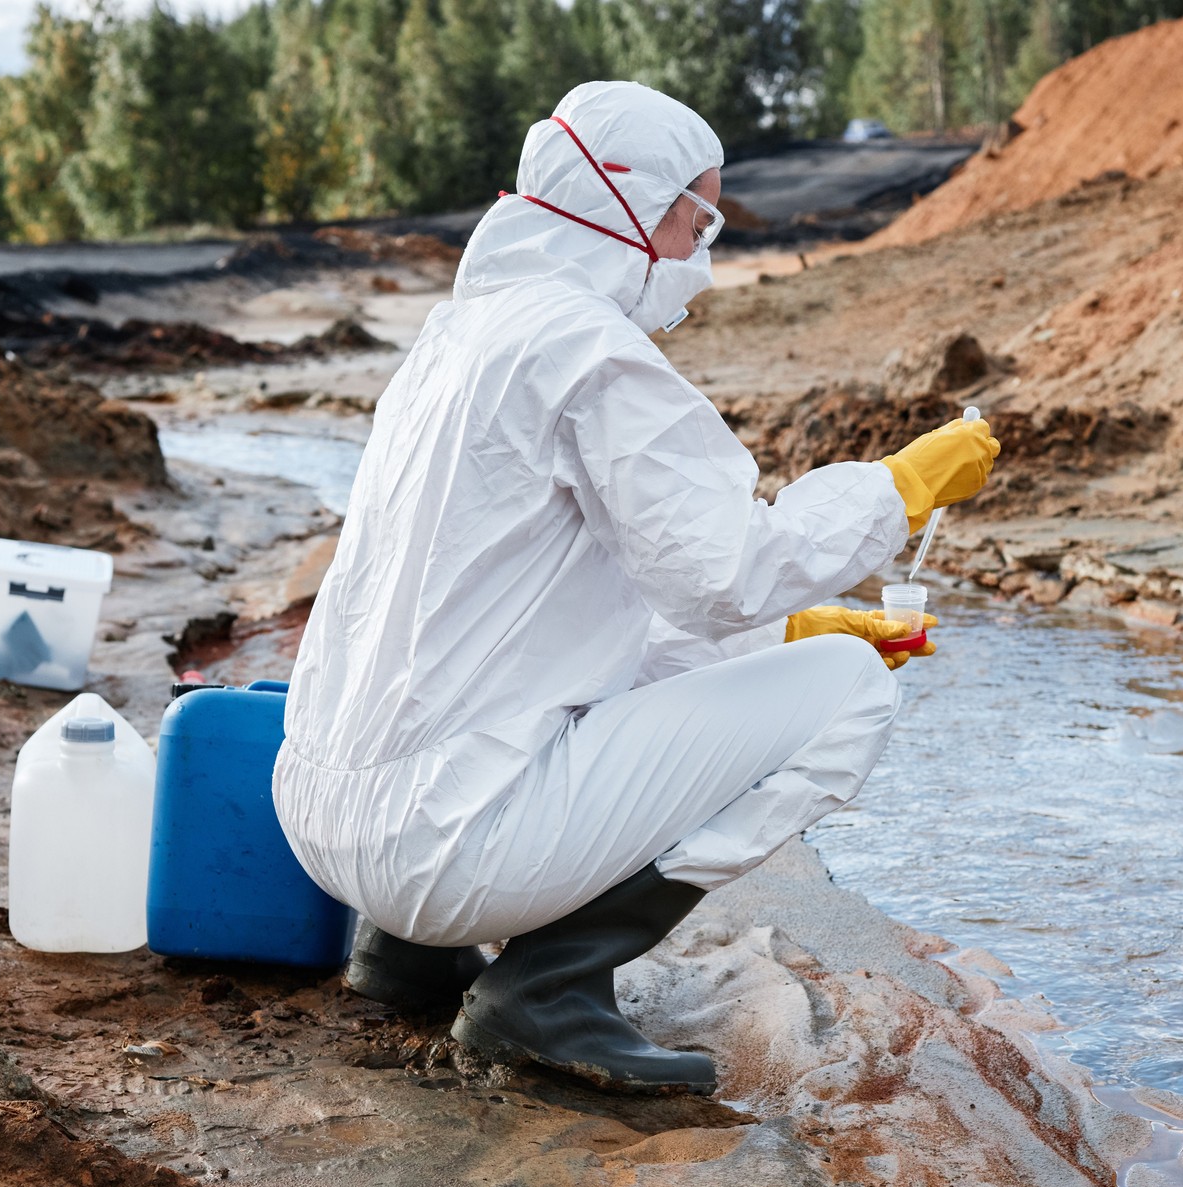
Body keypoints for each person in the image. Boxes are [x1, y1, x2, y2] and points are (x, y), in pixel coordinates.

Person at [273, 81, 998, 1095]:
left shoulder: (458, 339)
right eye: (693, 215)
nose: (700, 247)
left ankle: (404, 951)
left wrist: (782, 628)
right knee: (850, 691)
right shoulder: (588, 352)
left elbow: (551, 617)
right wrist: (896, 488)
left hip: (321, 818)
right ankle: (546, 987)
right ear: (624, 200)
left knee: (503, 679)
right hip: (442, 848)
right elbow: (723, 573)